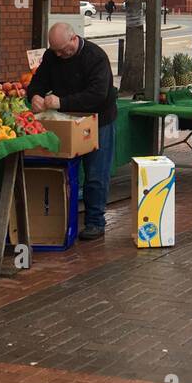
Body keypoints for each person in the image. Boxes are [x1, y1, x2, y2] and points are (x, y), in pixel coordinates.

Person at [27, 22, 119, 241]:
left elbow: (97, 95)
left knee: (96, 173)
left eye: (63, 49)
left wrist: (61, 102)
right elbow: (37, 82)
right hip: (67, 120)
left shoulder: (95, 57)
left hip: (98, 121)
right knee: (66, 171)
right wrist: (35, 96)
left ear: (74, 38)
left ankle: (95, 221)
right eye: (55, 50)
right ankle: (63, 219)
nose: (59, 54)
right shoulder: (52, 56)